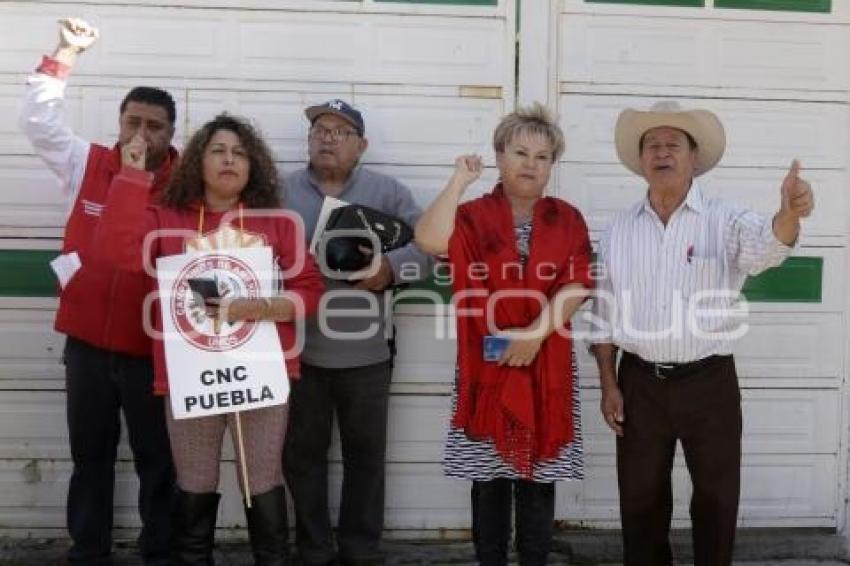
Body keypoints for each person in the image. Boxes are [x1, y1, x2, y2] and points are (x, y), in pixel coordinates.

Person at [590, 100, 815, 566]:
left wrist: (789, 211)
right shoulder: (617, 231)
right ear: (641, 161)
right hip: (639, 383)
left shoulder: (725, 218)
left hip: (709, 383)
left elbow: (768, 247)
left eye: (674, 144)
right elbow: (603, 313)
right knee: (640, 502)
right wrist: (609, 384)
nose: (662, 152)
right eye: (652, 145)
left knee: (716, 500)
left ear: (695, 158)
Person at [95, 113, 324, 565]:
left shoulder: (277, 222)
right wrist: (133, 175)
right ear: (198, 161)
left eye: (239, 152)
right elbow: (113, 250)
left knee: (263, 479)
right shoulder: (165, 217)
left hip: (259, 376)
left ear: (252, 165)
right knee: (194, 481)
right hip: (190, 375)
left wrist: (257, 308)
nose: (229, 159)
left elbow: (310, 291)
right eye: (218, 150)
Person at [19, 17, 177, 565]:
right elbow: (37, 120)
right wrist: (65, 53)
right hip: (86, 344)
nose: (142, 133)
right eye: (133, 121)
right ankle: (89, 553)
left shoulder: (185, 186)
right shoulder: (86, 162)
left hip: (151, 349)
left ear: (170, 134)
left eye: (155, 125)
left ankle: (161, 554)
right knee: (91, 458)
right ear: (118, 122)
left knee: (159, 460)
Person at [415, 102, 594, 566]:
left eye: (542, 156)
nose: (530, 164)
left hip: (547, 362)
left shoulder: (567, 218)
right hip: (484, 364)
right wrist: (458, 182)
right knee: (489, 480)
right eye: (520, 152)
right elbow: (432, 241)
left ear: (552, 165)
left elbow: (577, 284)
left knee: (539, 478)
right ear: (499, 156)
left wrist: (533, 334)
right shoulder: (471, 215)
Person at [281, 99, 432, 565]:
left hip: (367, 353)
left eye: (341, 131)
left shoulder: (388, 193)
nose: (327, 137)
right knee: (301, 459)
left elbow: (429, 246)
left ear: (361, 145)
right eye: (320, 129)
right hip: (297, 352)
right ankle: (312, 550)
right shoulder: (279, 192)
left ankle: (360, 551)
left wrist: (391, 267)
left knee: (365, 461)